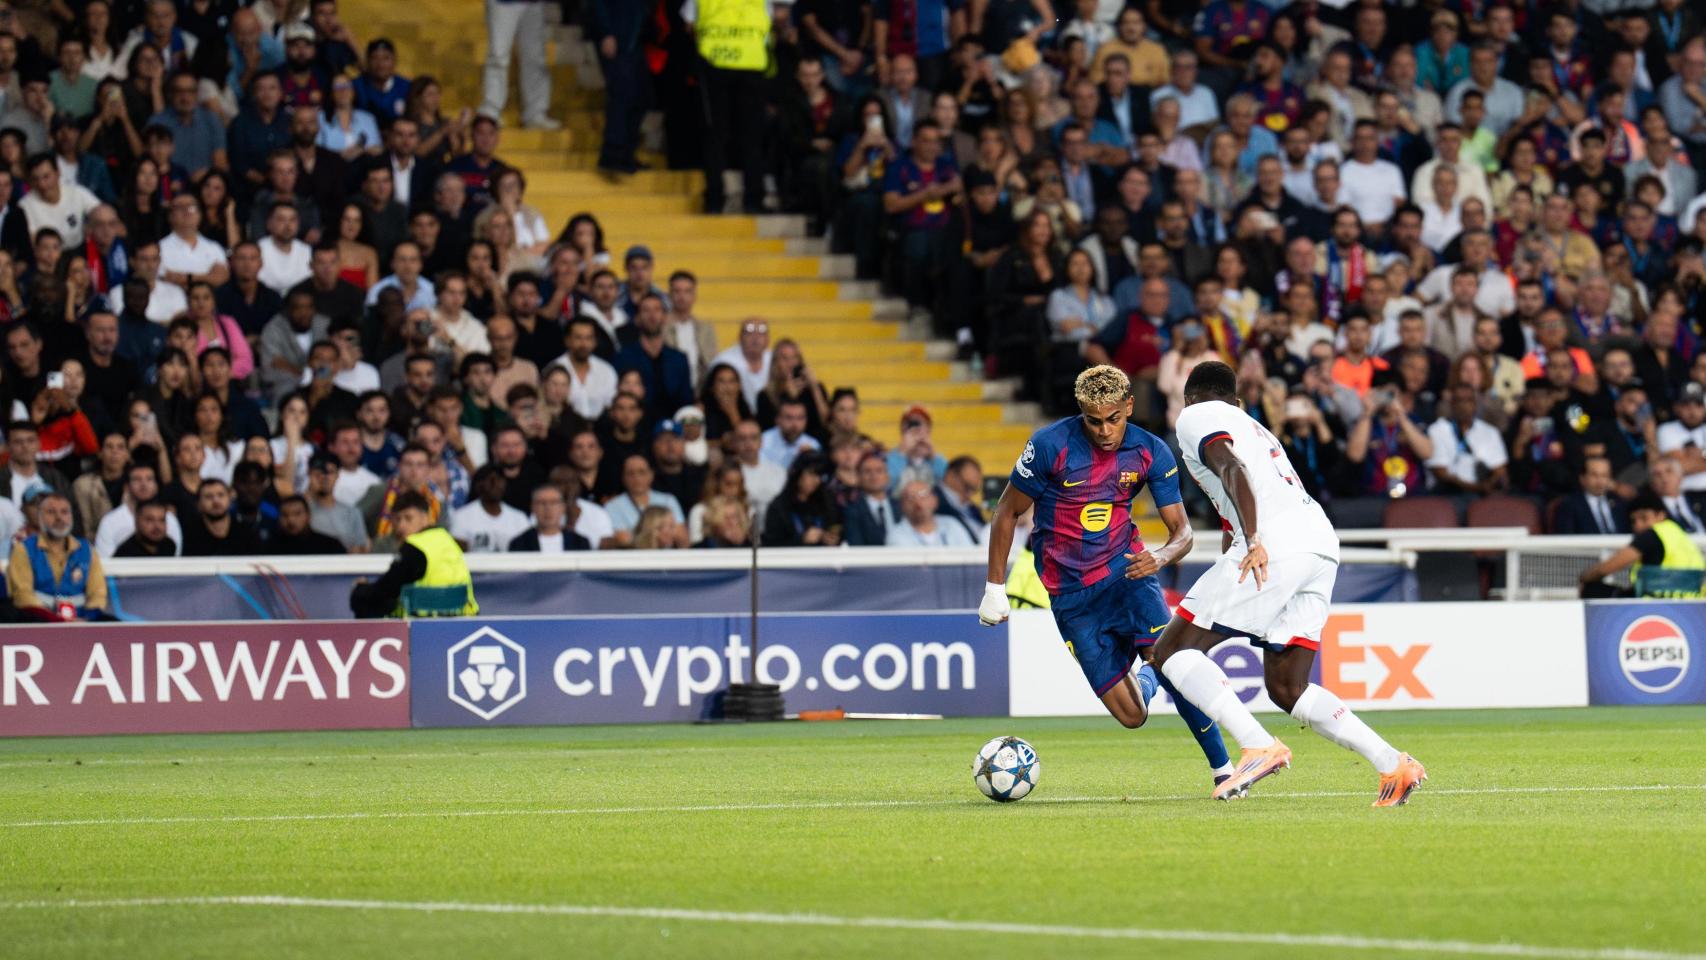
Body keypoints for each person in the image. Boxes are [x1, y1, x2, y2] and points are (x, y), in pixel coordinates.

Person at [1151, 360, 1425, 806]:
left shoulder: (1196, 415)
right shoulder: (1256, 428)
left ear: (1191, 396)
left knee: (1172, 652)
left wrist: (1254, 541)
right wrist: (1239, 551)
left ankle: (1258, 745)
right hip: (1318, 541)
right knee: (1287, 687)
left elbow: (1231, 471)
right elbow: (1231, 506)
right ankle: (1392, 763)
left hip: (1273, 542)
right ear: (1236, 401)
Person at [977, 363, 1231, 788]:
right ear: (1081, 413)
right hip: (1071, 596)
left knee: (1176, 662)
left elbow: (1183, 533)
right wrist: (994, 588)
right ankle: (1151, 672)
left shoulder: (1151, 451)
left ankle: (1224, 770)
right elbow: (1007, 510)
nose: (1104, 430)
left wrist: (1162, 556)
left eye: (1113, 418)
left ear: (1129, 407)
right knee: (1133, 716)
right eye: (1094, 421)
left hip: (1128, 574)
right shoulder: (1049, 446)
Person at [350, 490, 478, 617]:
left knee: (364, 599)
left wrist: (360, 589)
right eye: (397, 519)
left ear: (425, 518)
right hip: (463, 621)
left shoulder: (415, 547)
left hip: (421, 627)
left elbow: (385, 589)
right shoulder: (447, 540)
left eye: (408, 518)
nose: (401, 526)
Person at [1579, 492, 1705, 599]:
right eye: (1633, 521)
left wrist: (1585, 577)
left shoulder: (1653, 535)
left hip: (1653, 605)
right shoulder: (1680, 535)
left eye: (1644, 518)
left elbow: (1606, 568)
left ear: (1661, 515)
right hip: (1691, 606)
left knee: (1592, 589)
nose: (1638, 525)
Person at [7, 492, 109, 620]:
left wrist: (86, 620)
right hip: (37, 622)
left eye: (64, 512)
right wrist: (57, 622)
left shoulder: (87, 550)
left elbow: (98, 594)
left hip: (81, 621)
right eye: (51, 512)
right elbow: (23, 595)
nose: (59, 517)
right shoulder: (23, 549)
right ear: (40, 517)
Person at [448, 463, 528, 553]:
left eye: (499, 479)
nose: (495, 484)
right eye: (490, 480)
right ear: (478, 485)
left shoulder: (519, 517)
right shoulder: (462, 516)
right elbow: (459, 553)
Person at [1553, 457, 1630, 536]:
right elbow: (1566, 538)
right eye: (1594, 475)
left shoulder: (1619, 503)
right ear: (1582, 478)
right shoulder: (1569, 505)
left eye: (1604, 475)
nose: (1600, 481)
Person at [510, 482, 589, 552]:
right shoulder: (519, 544)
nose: (548, 509)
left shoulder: (580, 543)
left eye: (553, 502)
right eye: (542, 503)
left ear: (563, 507)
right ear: (532, 507)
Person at [270, 494, 347, 554]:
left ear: (308, 516)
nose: (291, 520)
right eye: (285, 515)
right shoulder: (269, 548)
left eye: (297, 514)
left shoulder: (331, 547)